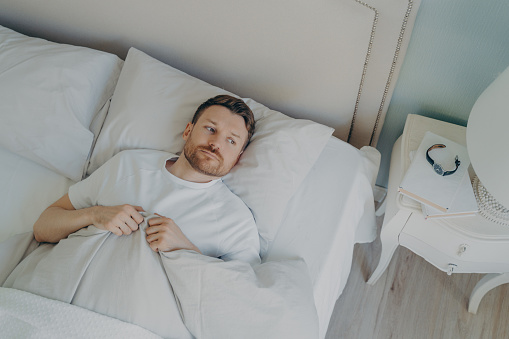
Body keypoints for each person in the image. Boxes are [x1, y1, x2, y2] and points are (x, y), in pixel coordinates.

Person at [32, 94, 260, 265]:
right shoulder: (128, 164)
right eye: (210, 128)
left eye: (231, 141)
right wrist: (94, 214)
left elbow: (241, 296)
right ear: (188, 131)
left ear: (238, 157)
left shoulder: (236, 221)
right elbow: (43, 228)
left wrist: (187, 250)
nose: (216, 143)